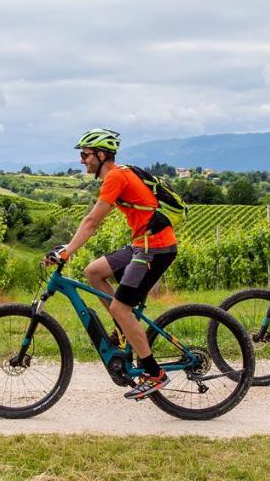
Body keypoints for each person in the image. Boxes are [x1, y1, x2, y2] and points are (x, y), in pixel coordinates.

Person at [45, 128, 178, 399]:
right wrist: (69, 248)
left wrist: (67, 251)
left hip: (155, 247)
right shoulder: (119, 175)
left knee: (121, 307)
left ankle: (154, 373)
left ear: (101, 155)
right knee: (94, 272)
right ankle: (123, 328)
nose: (82, 160)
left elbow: (92, 222)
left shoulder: (115, 177)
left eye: (85, 154)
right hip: (143, 243)